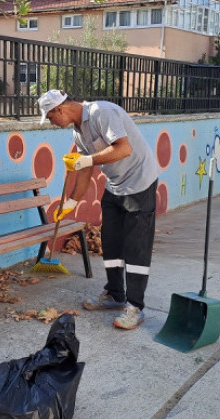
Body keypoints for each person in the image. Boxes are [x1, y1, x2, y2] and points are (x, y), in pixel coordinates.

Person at [37, 89, 159, 330]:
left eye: (50, 117)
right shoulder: (78, 132)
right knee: (111, 241)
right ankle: (115, 294)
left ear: (60, 109)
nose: (52, 123)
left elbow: (123, 149)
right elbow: (84, 171)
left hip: (140, 182)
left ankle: (135, 306)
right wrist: (71, 203)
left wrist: (87, 160)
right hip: (115, 186)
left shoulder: (102, 112)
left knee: (136, 246)